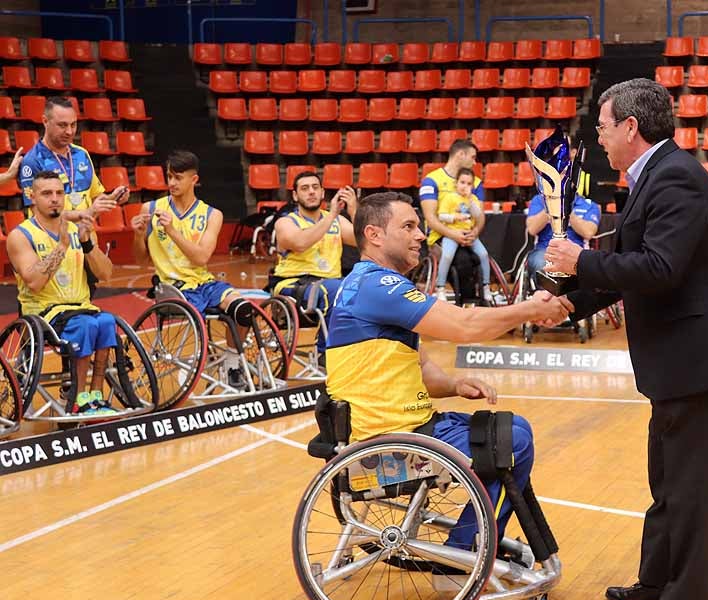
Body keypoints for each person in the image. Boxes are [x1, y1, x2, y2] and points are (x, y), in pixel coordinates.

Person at [545, 78, 708, 600]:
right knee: (666, 477)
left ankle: (688, 599)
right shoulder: (654, 177)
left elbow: (658, 270)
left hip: (698, 355)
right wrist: (564, 304)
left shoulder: (677, 180)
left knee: (690, 485)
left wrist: (578, 262)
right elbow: (630, 269)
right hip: (677, 357)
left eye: (602, 127)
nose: (599, 136)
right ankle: (658, 578)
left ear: (630, 128)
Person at [323, 191, 567, 551]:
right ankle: (463, 551)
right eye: (408, 226)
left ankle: (475, 540)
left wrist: (454, 384)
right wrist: (528, 310)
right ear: (374, 235)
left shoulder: (370, 284)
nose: (421, 235)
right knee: (511, 445)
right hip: (387, 444)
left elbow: (417, 365)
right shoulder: (378, 286)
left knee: (516, 428)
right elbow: (464, 325)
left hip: (405, 427)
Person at [129, 150, 251, 386]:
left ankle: (232, 365)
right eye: (169, 176)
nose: (171, 183)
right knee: (200, 321)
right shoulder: (150, 209)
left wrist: (172, 231)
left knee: (243, 309)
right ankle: (201, 363)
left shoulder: (211, 214)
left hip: (203, 282)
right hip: (172, 288)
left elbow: (201, 257)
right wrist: (137, 235)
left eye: (178, 177)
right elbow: (141, 260)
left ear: (193, 180)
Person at [6, 170, 117, 415]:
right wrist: (62, 246)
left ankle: (94, 396)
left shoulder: (78, 229)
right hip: (43, 313)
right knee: (86, 325)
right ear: (31, 197)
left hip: (80, 307)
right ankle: (77, 399)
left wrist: (87, 243)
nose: (55, 198)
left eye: (59, 193)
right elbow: (34, 281)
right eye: (47, 193)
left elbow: (106, 274)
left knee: (107, 321)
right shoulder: (20, 235)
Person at [267, 170, 357, 357]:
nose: (311, 192)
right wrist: (331, 216)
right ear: (295, 195)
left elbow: (362, 240)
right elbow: (300, 243)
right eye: (305, 188)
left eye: (315, 188)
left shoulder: (337, 220)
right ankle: (326, 353)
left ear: (323, 193)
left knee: (359, 288)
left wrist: (354, 211)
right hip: (293, 284)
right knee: (339, 289)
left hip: (330, 283)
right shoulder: (286, 222)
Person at [18, 96, 128, 222]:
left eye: (73, 125)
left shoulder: (82, 154)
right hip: (52, 240)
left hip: (85, 237)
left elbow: (95, 197)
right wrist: (86, 213)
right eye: (62, 125)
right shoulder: (33, 161)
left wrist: (112, 199)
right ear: (45, 121)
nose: (69, 132)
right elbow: (39, 213)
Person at [428, 167, 492, 304]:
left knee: (484, 254)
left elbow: (477, 215)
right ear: (456, 183)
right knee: (447, 255)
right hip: (452, 233)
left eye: (469, 184)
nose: (465, 186)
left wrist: (470, 200)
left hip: (469, 234)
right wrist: (455, 217)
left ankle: (486, 285)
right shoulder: (449, 198)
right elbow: (442, 216)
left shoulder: (473, 199)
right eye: (462, 182)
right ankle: (440, 287)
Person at [524, 190, 600, 286]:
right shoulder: (539, 200)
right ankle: (547, 297)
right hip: (545, 251)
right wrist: (551, 205)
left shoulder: (589, 205)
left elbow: (588, 233)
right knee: (541, 265)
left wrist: (567, 209)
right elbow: (532, 229)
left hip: (576, 253)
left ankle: (558, 298)